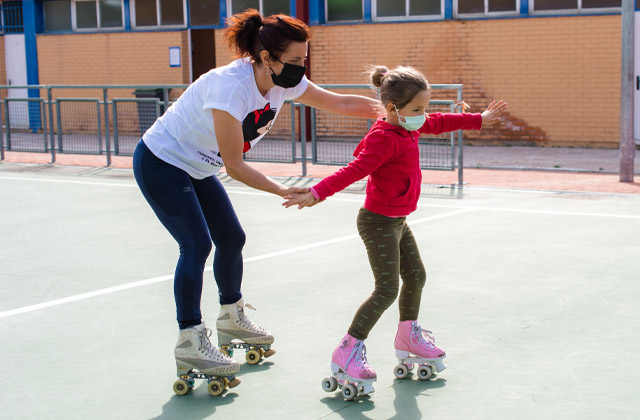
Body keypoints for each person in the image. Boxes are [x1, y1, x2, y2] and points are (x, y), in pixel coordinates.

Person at [132, 9, 381, 388]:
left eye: (304, 58)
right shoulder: (230, 87)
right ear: (267, 57)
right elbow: (234, 165)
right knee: (196, 245)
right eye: (296, 60)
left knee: (232, 239)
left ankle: (231, 317)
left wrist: (395, 111)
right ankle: (190, 338)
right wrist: (283, 190)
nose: (302, 66)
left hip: (197, 167)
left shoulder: (284, 81)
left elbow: (342, 104)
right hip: (162, 162)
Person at [283, 65, 508, 393]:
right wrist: (317, 193)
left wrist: (480, 119)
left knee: (416, 276)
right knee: (386, 288)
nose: (424, 115)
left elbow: (440, 121)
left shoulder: (408, 125)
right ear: (392, 109)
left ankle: (408, 336)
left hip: (397, 220)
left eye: (425, 107)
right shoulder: (385, 138)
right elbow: (354, 169)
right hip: (378, 223)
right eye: (417, 109)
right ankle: (347, 351)